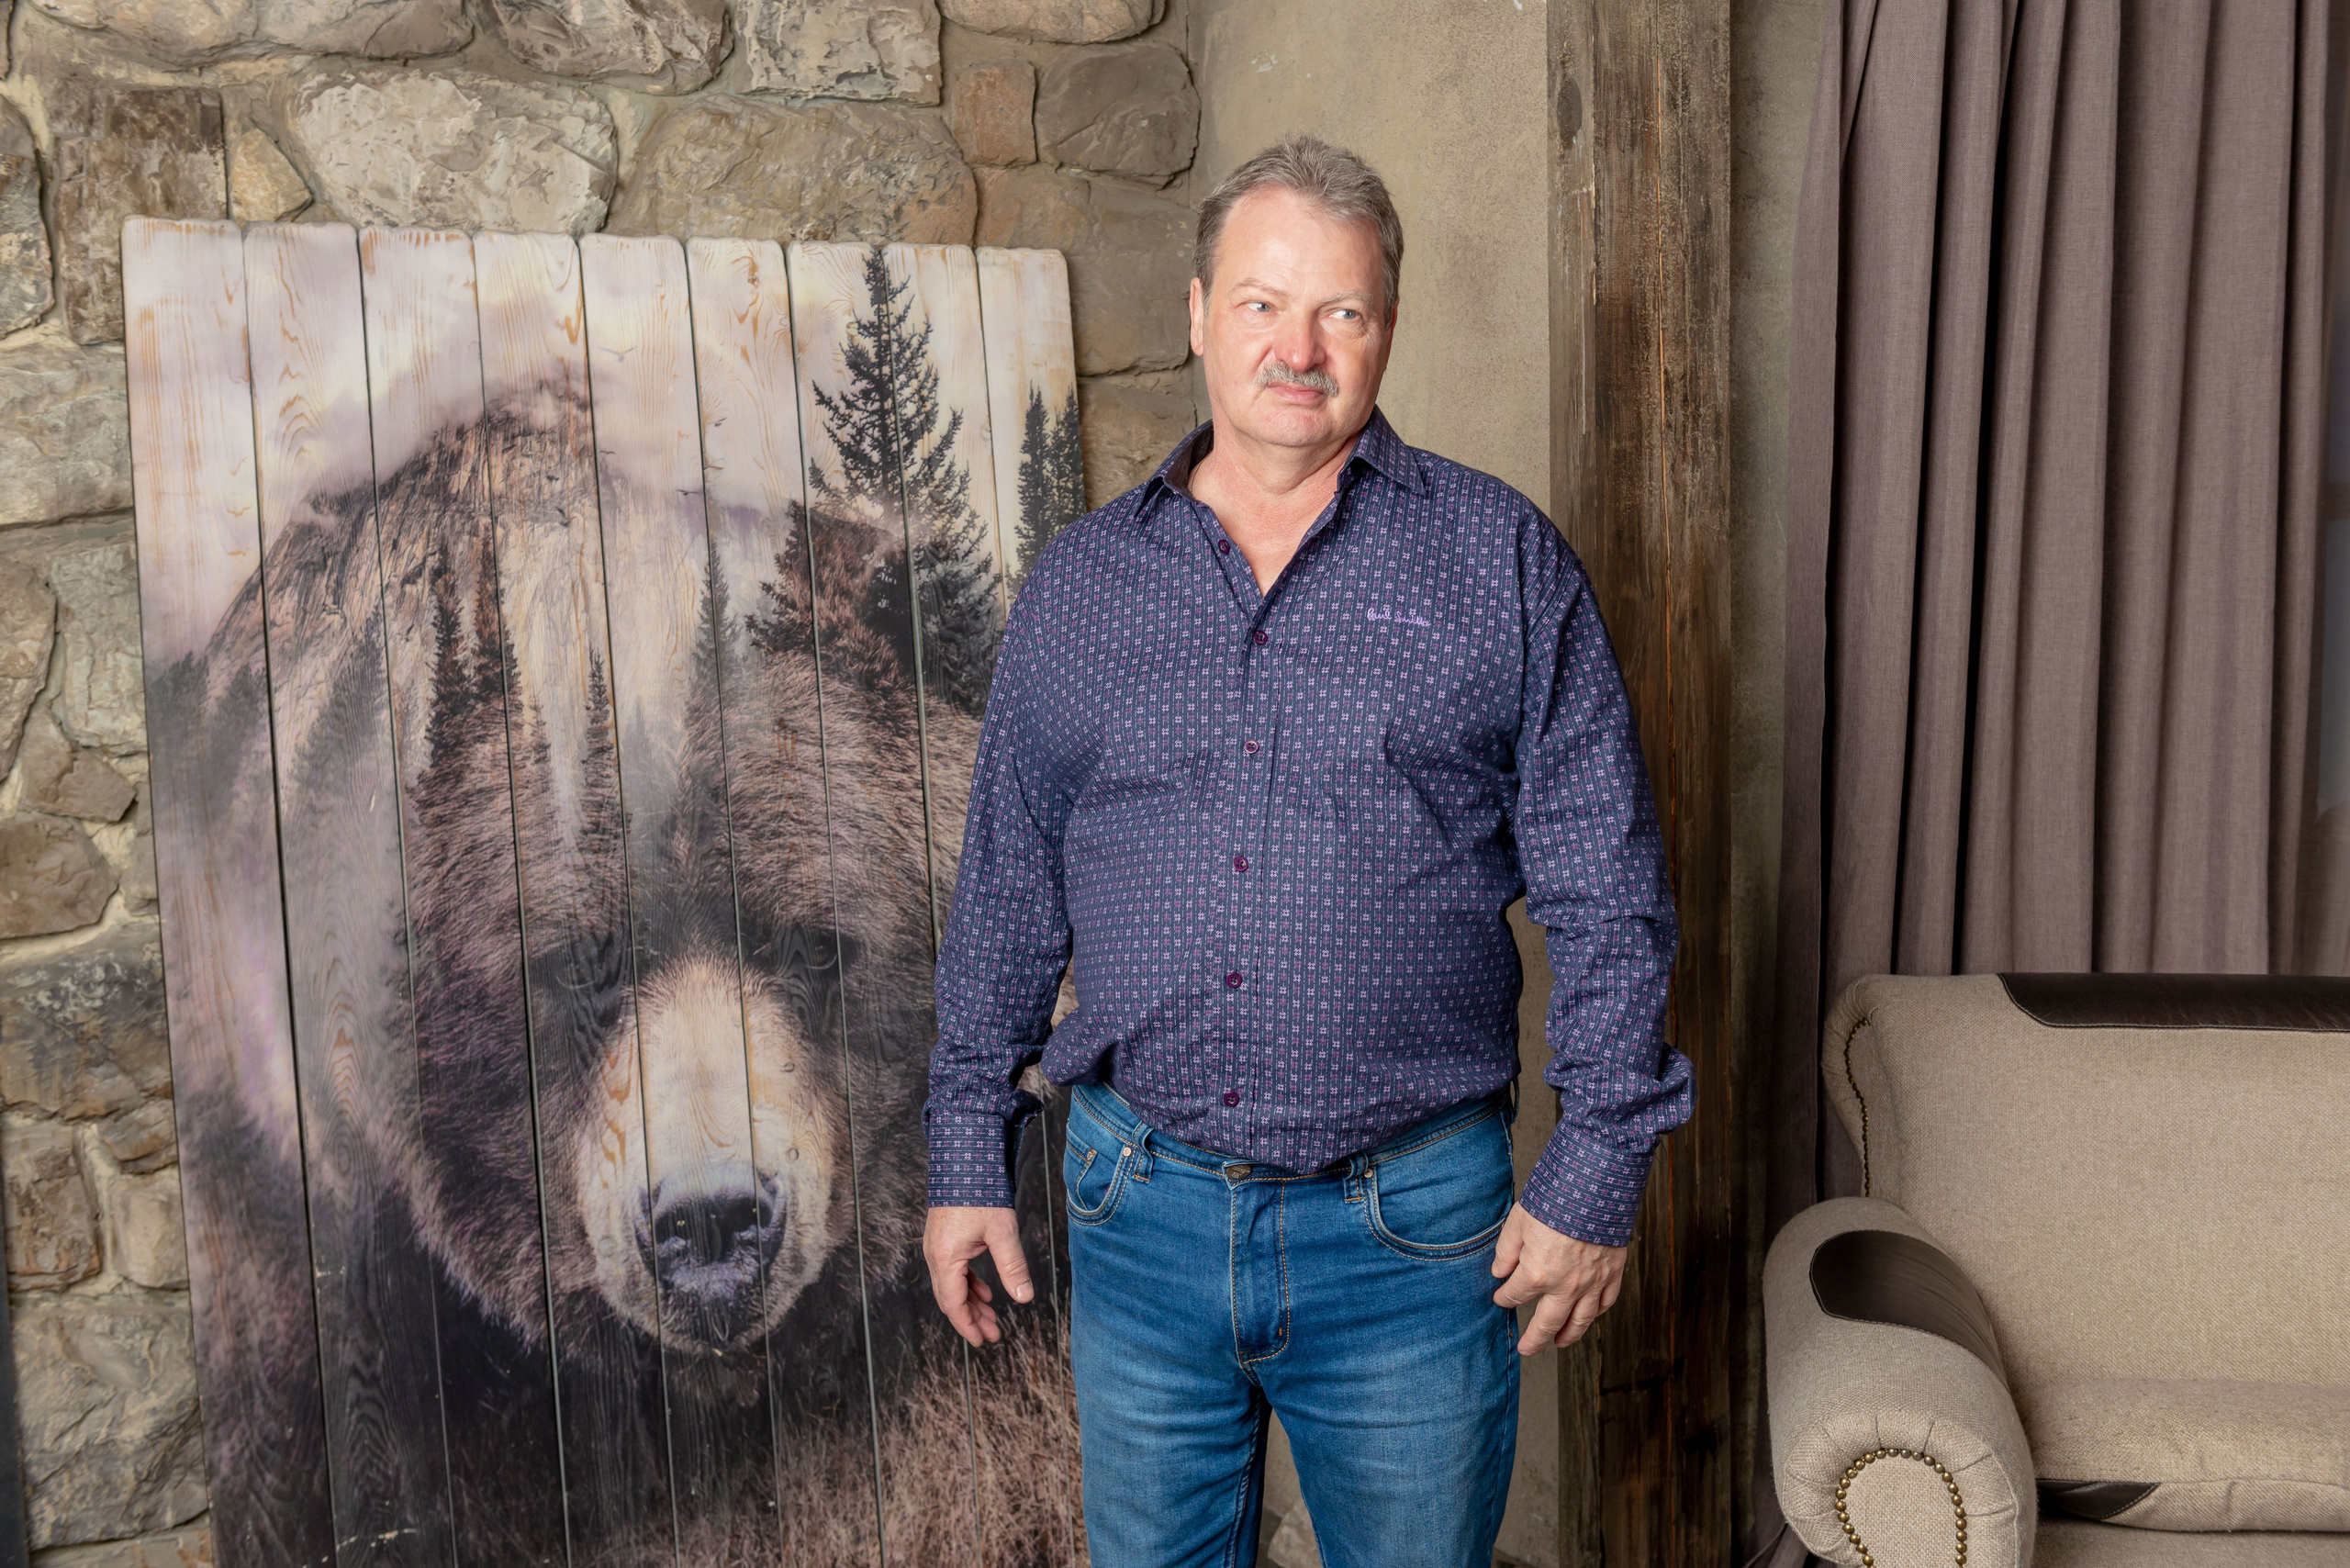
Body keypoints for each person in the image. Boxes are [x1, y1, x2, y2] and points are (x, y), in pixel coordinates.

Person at [922, 133, 1692, 1567]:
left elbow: (1607, 889)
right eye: (1265, 303)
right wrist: (970, 1149)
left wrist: (1597, 1165)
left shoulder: (1501, 562)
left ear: (1386, 331)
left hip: (1408, 1236)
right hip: (1137, 1219)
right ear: (1202, 311)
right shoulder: (1084, 586)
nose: (1300, 346)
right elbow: (1010, 885)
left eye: (1341, 310)